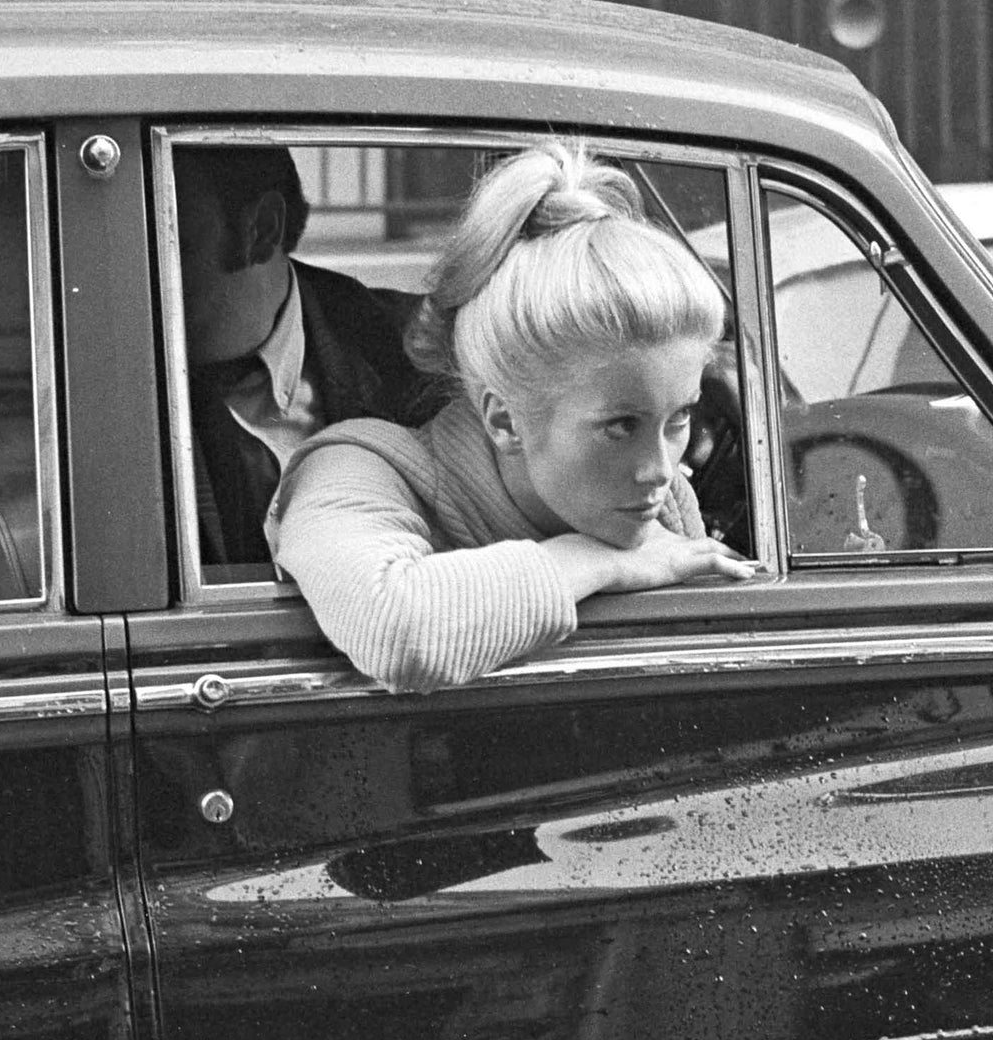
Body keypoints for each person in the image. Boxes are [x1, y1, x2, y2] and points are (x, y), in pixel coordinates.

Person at [267, 140, 757, 693]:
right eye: (621, 425)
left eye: (679, 418)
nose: (660, 469)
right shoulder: (355, 469)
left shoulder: (661, 502)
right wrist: (596, 562)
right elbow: (399, 631)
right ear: (503, 421)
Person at [174, 146, 441, 565]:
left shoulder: (412, 351)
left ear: (262, 230)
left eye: (174, 245)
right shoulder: (102, 372)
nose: (132, 277)